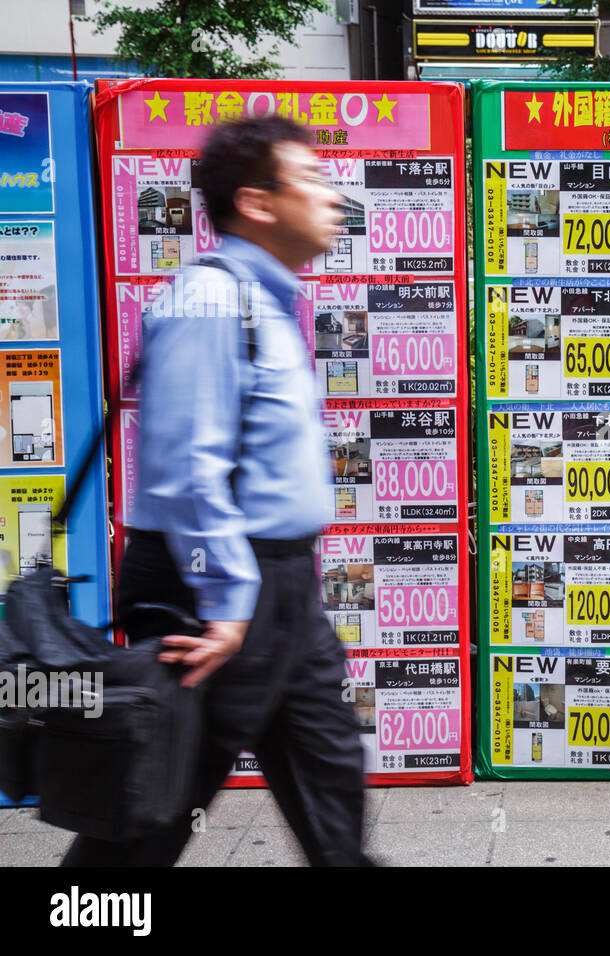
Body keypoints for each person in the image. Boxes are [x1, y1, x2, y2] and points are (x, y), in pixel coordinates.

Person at [63, 116, 367, 867]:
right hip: (218, 589)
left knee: (330, 775)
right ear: (258, 203)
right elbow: (189, 469)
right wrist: (230, 603)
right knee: (156, 803)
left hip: (280, 585)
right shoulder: (209, 301)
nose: (335, 198)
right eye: (314, 181)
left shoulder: (266, 298)